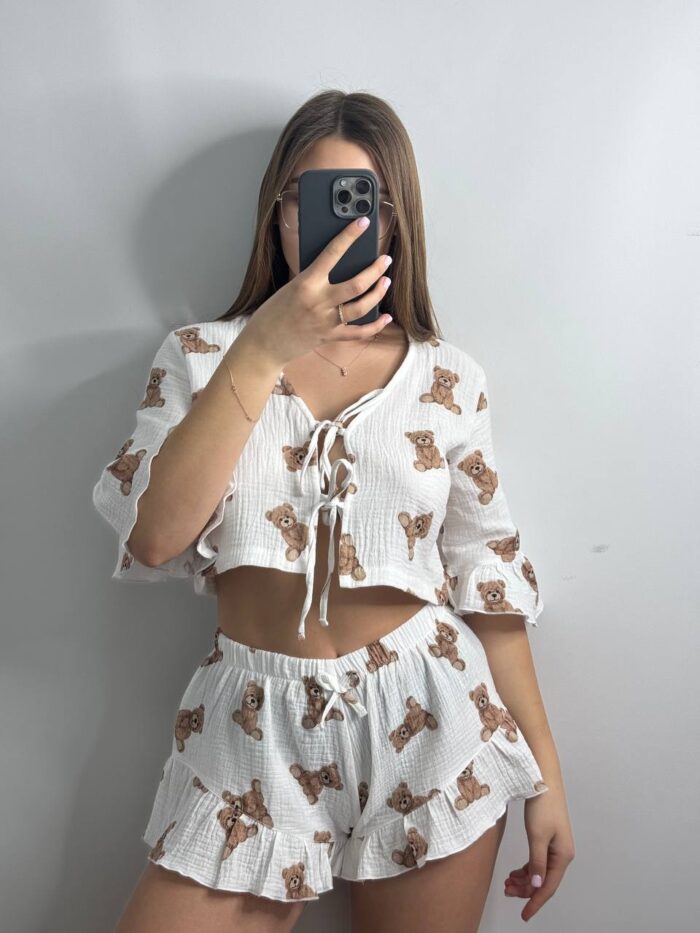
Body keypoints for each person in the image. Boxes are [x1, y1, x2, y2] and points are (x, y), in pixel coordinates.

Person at [94, 90, 575, 933]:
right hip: (251, 728)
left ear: (395, 219)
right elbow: (158, 535)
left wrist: (548, 779)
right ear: (277, 213)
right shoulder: (202, 356)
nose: (338, 224)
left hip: (431, 716)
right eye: (309, 197)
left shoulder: (448, 377)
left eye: (365, 202)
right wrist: (265, 345)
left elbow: (489, 585)